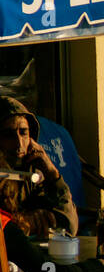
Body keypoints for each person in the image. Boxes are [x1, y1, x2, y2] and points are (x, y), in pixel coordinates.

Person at [0, 97, 78, 237]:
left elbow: (68, 226)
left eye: (23, 132)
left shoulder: (32, 173)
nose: (19, 144)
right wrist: (23, 223)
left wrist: (52, 173)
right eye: (9, 135)